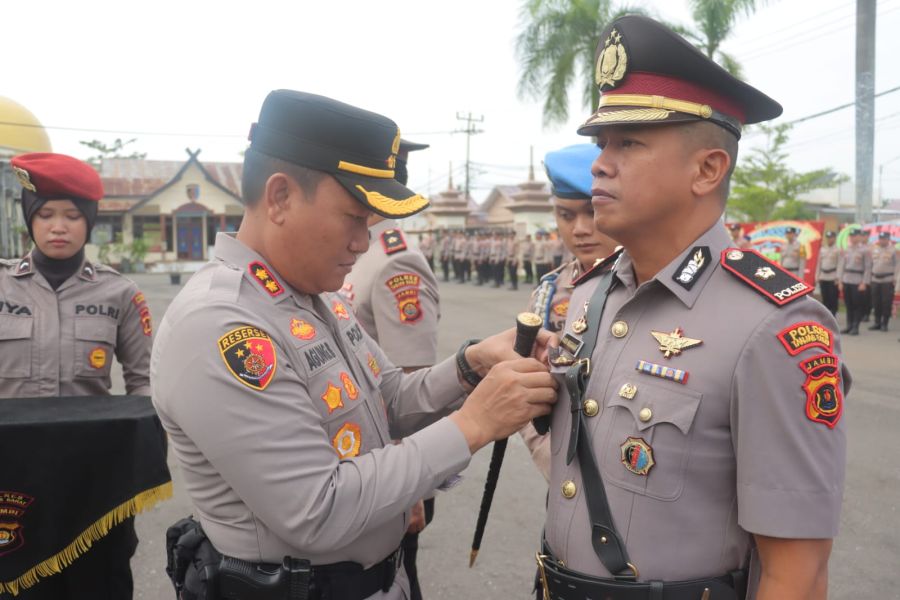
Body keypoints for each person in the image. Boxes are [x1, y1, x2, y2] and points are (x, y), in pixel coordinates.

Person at [150, 90, 558, 600]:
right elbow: (317, 509)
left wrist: (469, 366)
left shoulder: (312, 297)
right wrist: (473, 423)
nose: (364, 243)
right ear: (279, 198)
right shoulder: (221, 323)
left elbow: (388, 399)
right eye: (353, 217)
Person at [539, 16, 848, 600]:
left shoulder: (774, 326)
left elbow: (797, 573)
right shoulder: (591, 294)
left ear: (707, 169)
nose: (600, 163)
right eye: (601, 143)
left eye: (628, 143)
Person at [2, 152, 153, 599]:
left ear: (89, 222)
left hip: (94, 475)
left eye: (72, 215)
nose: (58, 226)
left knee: (99, 580)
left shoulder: (120, 293)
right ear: (29, 220)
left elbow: (143, 383)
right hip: (13, 475)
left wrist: (138, 458)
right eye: (45, 214)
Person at [340, 137, 439, 600]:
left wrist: (411, 487)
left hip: (395, 467)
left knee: (397, 583)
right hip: (358, 464)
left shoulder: (395, 259)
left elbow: (413, 379)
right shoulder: (355, 252)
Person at [519, 143, 619, 481]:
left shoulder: (654, 286)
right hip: (566, 473)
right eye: (566, 215)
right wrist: (550, 454)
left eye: (591, 212)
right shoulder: (548, 292)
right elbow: (525, 381)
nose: (579, 228)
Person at [838, 227, 871, 335]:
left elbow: (868, 267)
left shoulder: (865, 250)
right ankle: (849, 325)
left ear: (859, 237)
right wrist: (840, 281)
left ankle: (855, 326)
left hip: (858, 280)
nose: (852, 238)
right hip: (847, 278)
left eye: (854, 236)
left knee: (857, 304)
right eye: (851, 236)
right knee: (848, 304)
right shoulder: (847, 249)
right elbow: (842, 265)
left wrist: (864, 282)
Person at [869, 230, 897, 331]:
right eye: (880, 239)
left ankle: (885, 323)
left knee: (886, 303)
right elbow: (871, 264)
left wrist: (895, 279)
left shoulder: (893, 250)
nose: (882, 241)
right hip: (875, 279)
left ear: (888, 239)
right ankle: (877, 322)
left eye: (884, 239)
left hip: (887, 280)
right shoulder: (875, 250)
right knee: (876, 302)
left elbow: (897, 266)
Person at [816, 230, 841, 316]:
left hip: (833, 276)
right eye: (828, 238)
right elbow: (819, 263)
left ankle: (833, 314)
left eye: (831, 238)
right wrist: (817, 276)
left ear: (834, 238)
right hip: (823, 276)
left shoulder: (838, 250)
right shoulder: (823, 249)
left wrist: (838, 278)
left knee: (833, 298)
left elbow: (840, 264)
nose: (829, 239)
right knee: (825, 297)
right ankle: (826, 315)